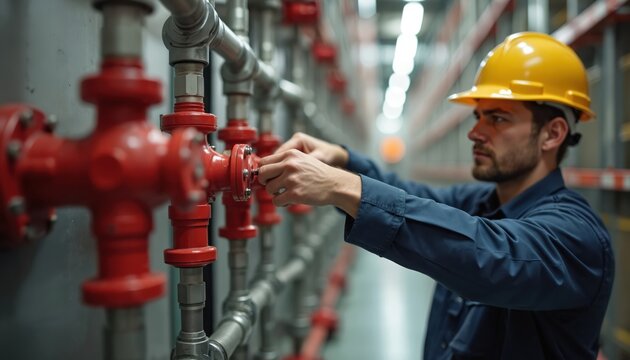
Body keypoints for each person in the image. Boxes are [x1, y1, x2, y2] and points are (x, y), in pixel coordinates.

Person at [258, 32, 614, 359]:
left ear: (552, 134)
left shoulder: (576, 238)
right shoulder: (483, 204)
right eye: (478, 116)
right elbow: (410, 197)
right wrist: (344, 160)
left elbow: (490, 256)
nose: (475, 132)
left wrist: (344, 186)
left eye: (498, 119)